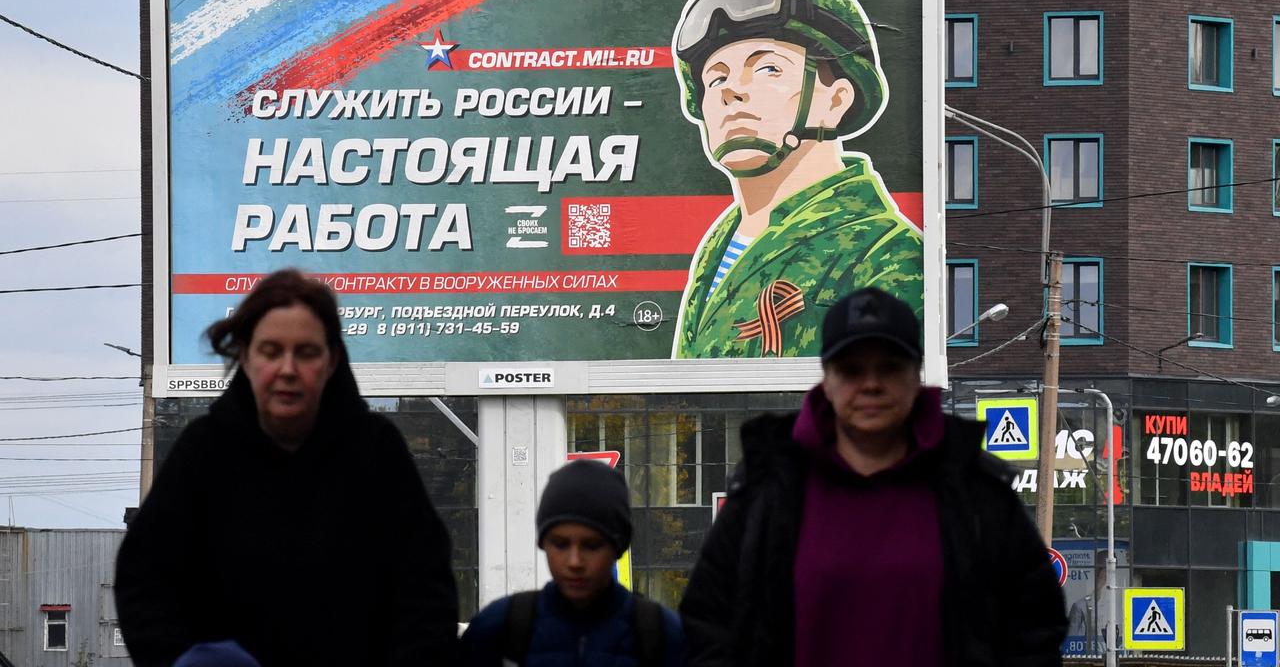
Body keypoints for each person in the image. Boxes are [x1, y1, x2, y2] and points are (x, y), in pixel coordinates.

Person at [679, 287, 1067, 666]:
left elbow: (1034, 627)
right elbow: (708, 622)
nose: (871, 384)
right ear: (826, 381)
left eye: (889, 367)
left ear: (916, 377)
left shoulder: (975, 491)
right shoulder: (768, 489)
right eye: (851, 369)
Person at [115, 269, 459, 667]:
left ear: (331, 360)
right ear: (245, 356)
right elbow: (144, 580)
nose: (288, 369)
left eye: (306, 352)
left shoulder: (377, 451)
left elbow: (426, 592)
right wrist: (182, 658)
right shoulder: (204, 450)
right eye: (271, 350)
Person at [670, 0, 924, 359]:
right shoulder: (716, 249)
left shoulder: (885, 255)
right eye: (715, 76)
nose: (729, 90)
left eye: (768, 69)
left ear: (835, 102)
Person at [460, 459, 685, 666]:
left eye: (592, 545)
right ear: (542, 543)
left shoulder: (664, 636)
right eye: (560, 544)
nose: (574, 562)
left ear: (619, 546)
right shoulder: (496, 628)